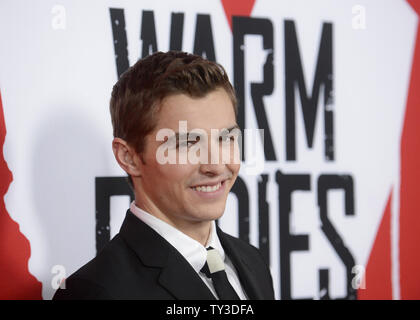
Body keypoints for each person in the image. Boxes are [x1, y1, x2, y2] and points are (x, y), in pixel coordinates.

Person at [53, 51, 275, 300]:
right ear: (129, 157)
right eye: (189, 143)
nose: (216, 165)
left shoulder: (252, 262)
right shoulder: (94, 292)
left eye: (227, 138)